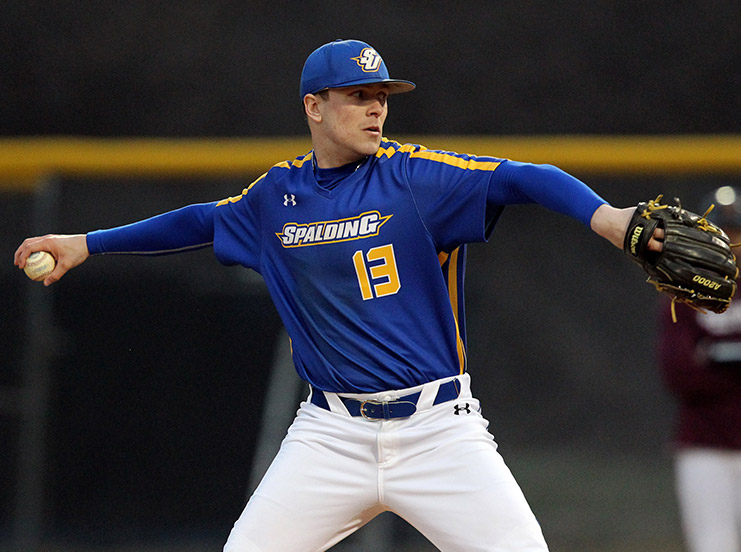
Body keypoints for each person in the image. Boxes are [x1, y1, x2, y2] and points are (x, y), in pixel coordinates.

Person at [15, 39, 662, 551]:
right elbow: (199, 222)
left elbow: (527, 178)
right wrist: (86, 242)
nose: (376, 108)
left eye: (381, 96)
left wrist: (604, 217)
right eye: (357, 96)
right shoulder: (275, 197)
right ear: (314, 107)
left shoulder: (416, 179)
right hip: (329, 436)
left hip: (437, 432)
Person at [657, 185, 741, 552]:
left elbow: (697, 369)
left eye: (735, 232)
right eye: (719, 233)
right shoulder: (683, 291)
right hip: (704, 445)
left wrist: (714, 356)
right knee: (713, 546)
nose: (730, 242)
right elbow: (678, 374)